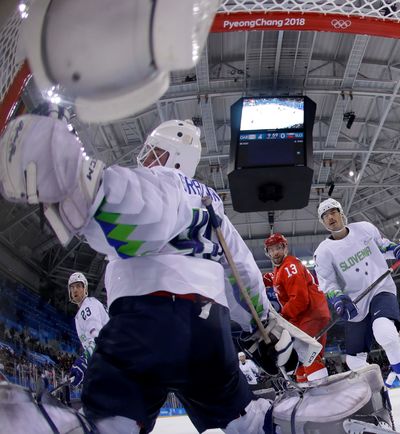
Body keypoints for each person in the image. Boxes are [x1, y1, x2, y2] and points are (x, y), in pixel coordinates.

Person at [0, 115, 290, 433]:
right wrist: (261, 327)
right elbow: (241, 271)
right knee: (241, 416)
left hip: (148, 318)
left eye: (154, 152)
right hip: (211, 330)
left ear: (175, 157)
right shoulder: (213, 204)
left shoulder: (164, 181)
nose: (145, 159)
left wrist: (81, 183)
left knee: (112, 420)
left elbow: (145, 207)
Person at [313, 198, 400, 405]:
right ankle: (378, 394)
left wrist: (398, 250)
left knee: (385, 332)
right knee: (353, 361)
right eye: (325, 215)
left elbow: (384, 246)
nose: (330, 217)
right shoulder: (323, 252)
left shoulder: (364, 229)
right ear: (322, 222)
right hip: (355, 304)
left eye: (333, 212)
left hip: (381, 289)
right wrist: (338, 299)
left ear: (341, 212)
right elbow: (328, 284)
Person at [264, 232, 331, 383]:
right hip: (313, 315)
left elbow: (300, 300)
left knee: (307, 355)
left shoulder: (289, 267)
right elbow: (277, 279)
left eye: (278, 248)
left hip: (309, 316)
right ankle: (309, 393)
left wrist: (282, 318)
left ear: (285, 248)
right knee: (306, 358)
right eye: (271, 249)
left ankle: (323, 394)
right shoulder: (283, 268)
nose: (275, 252)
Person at [67, 272, 109, 388]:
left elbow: (97, 338)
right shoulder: (79, 315)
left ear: (85, 288)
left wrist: (84, 361)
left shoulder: (88, 306)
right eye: (72, 287)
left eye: (78, 286)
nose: (75, 290)